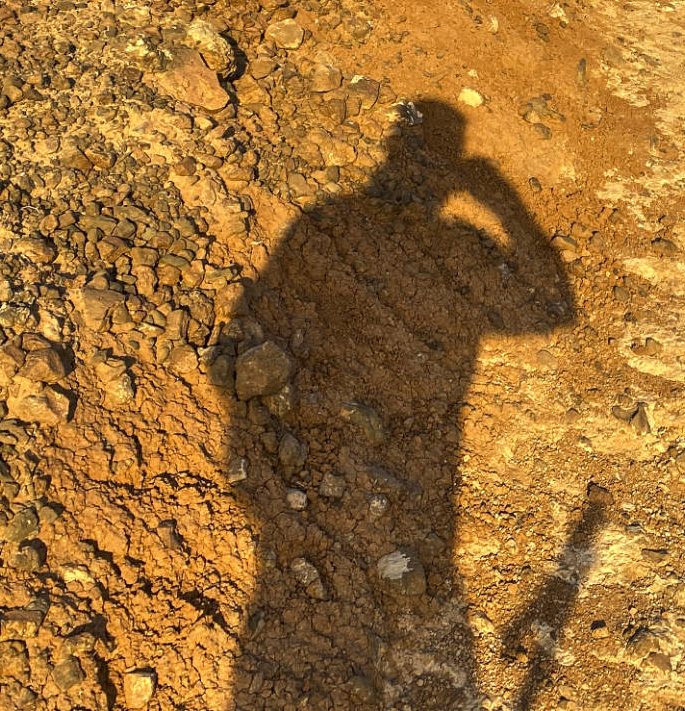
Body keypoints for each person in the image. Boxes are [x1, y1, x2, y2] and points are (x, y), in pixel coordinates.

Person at [221, 98, 575, 709]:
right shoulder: (431, 239)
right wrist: (503, 203)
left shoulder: (325, 218)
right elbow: (553, 310)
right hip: (412, 488)